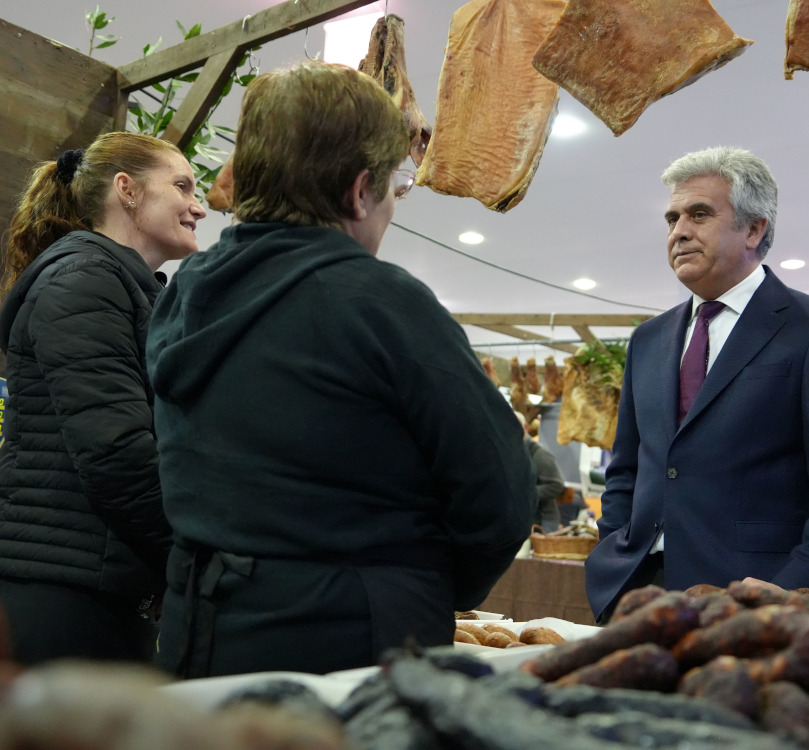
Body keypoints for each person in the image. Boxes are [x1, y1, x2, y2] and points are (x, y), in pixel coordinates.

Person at [147, 61, 535, 678]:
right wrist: (425, 581)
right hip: (354, 645)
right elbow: (502, 494)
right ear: (360, 191)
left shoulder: (182, 291)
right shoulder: (380, 301)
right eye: (395, 190)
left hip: (201, 630)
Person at [586, 147, 809, 621]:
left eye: (699, 214)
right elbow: (626, 469)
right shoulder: (648, 340)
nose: (679, 231)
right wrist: (612, 551)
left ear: (754, 229)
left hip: (752, 601)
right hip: (635, 594)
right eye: (673, 218)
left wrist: (789, 588)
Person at [0, 132, 206, 663]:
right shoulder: (85, 280)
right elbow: (115, 450)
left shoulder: (127, 287)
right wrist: (198, 562)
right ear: (127, 190)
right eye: (182, 186)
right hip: (63, 594)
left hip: (99, 582)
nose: (198, 206)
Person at [516, 412, 564, 533]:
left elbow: (557, 486)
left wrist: (523, 493)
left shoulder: (540, 454)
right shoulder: (514, 452)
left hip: (544, 521)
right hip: (524, 518)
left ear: (526, 427)